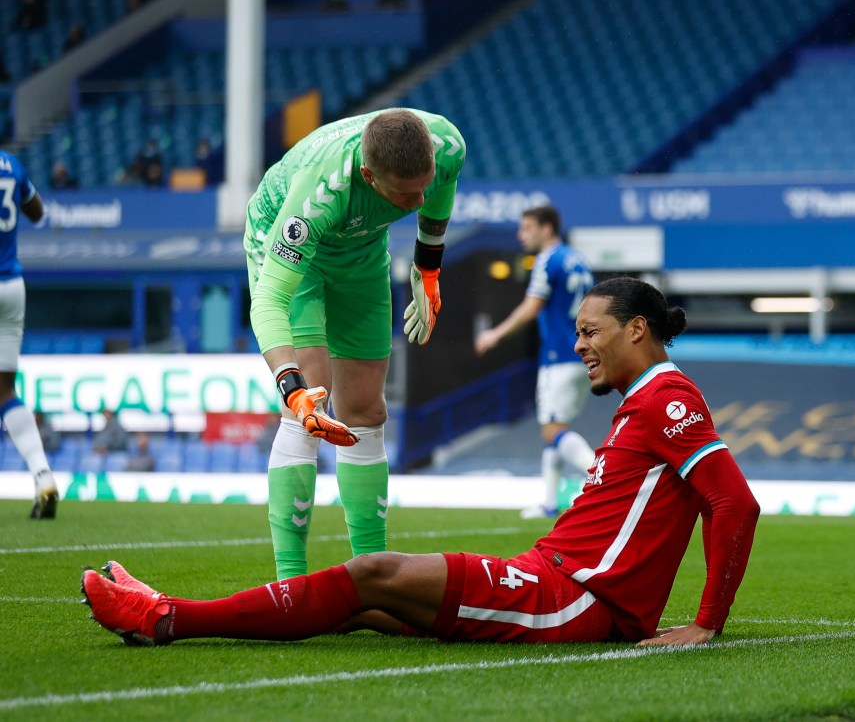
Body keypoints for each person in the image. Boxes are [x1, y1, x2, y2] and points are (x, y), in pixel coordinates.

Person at [81, 277, 761, 648]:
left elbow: (734, 502)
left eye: (590, 331)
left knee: (372, 571)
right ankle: (168, 610)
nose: (580, 344)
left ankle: (163, 615)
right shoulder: (646, 399)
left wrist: (706, 622)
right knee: (362, 600)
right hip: (551, 577)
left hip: (574, 599)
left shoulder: (668, 395)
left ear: (636, 329)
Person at [243, 108, 465, 581]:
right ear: (368, 176)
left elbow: (438, 196)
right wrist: (291, 386)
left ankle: (372, 573)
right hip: (291, 253)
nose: (419, 198)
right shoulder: (318, 197)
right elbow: (268, 302)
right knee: (311, 410)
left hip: (361, 253)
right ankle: (290, 583)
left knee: (366, 410)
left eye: (423, 184)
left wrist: (428, 269)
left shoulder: (446, 147)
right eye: (407, 193)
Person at [475, 205, 595, 518]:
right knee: (555, 426)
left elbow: (531, 307)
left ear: (547, 228)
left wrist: (495, 335)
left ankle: (601, 478)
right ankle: (549, 503)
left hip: (560, 355)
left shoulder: (548, 259)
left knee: (552, 430)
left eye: (527, 227)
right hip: (582, 352)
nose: (521, 235)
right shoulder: (576, 258)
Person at [0, 149, 58, 518]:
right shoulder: (11, 164)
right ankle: (43, 475)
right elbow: (37, 212)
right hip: (11, 286)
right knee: (5, 390)